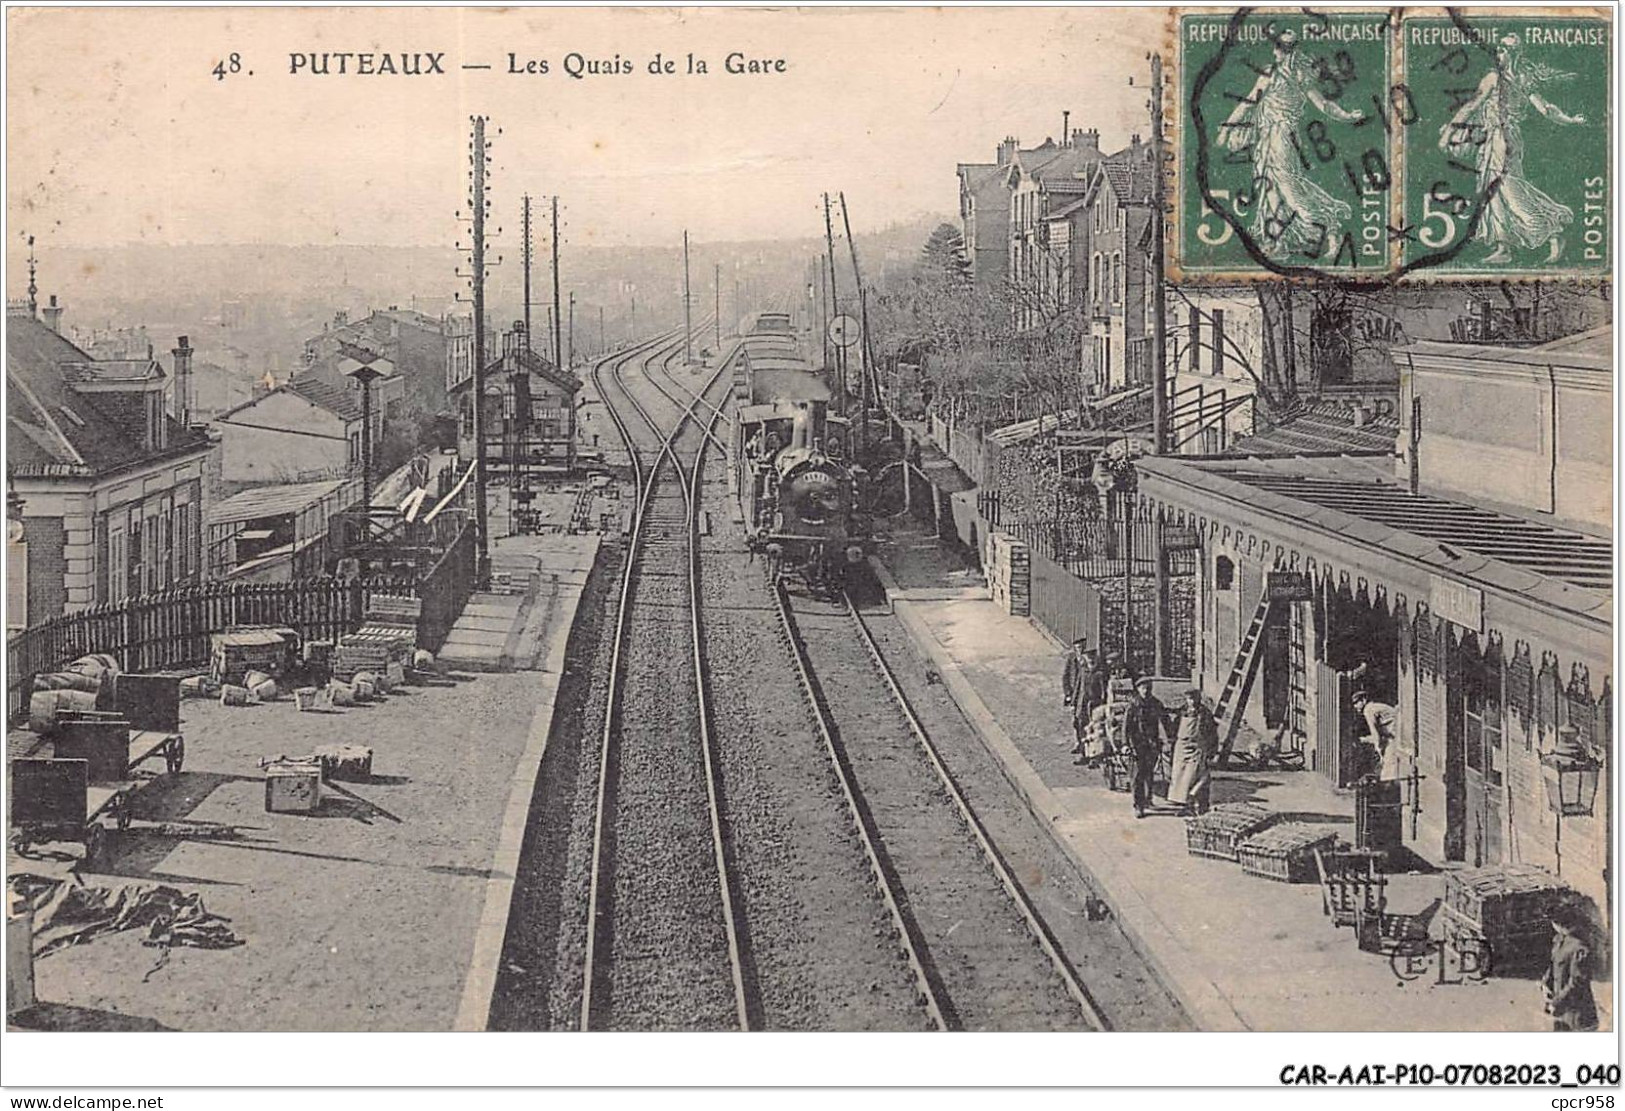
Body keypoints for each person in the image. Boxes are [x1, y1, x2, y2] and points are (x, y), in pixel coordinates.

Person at [1218, 28, 1366, 261]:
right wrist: (1347, 115)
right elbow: (1324, 106)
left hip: (1279, 138)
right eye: (1277, 46)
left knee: (1288, 190)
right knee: (1271, 190)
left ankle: (1330, 227)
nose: (1276, 51)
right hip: (1270, 138)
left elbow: (1322, 104)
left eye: (1280, 47)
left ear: (1286, 50)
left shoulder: (1287, 75)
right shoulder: (1286, 75)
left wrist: (1346, 115)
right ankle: (1276, 244)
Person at [1440, 34, 1587, 265]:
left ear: (1511, 53)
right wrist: (1570, 120)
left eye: (1504, 49)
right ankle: (1505, 246)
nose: (1500, 53)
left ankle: (1552, 227)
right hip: (1505, 138)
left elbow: (1471, 106)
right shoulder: (1523, 78)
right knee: (1495, 191)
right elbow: (1546, 109)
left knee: (1507, 189)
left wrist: (1449, 132)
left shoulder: (1494, 78)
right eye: (1499, 49)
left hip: (1500, 138)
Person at [1543, 906, 1598, 1031]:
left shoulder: (1580, 947)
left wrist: (1556, 1002)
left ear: (1558, 923)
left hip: (1577, 1013)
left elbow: (1577, 982)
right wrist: (1546, 983)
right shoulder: (1559, 940)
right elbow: (1554, 964)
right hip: (1561, 1011)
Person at [1123, 677, 1171, 818]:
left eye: (1148, 688)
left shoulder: (1155, 703)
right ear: (1138, 689)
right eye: (1143, 688)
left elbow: (1165, 720)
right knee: (1137, 776)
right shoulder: (1133, 705)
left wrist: (1170, 738)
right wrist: (1126, 745)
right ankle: (1138, 805)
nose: (1146, 690)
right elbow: (1126, 727)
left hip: (1152, 745)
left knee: (1149, 773)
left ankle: (1148, 799)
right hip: (1136, 745)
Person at [1167, 689, 1218, 816]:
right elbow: (1173, 731)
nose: (1192, 702)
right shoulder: (1182, 712)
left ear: (1199, 699)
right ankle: (1186, 807)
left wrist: (1212, 752)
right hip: (1182, 748)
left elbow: (1213, 734)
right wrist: (1172, 747)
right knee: (1182, 779)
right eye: (1189, 699)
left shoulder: (1205, 713)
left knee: (1200, 778)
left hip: (1198, 748)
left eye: (1194, 698)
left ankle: (1203, 807)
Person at [1351, 690, 1401, 780]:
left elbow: (1375, 733)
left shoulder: (1369, 710)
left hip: (1396, 735)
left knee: (1388, 766)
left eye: (1357, 702)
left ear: (1364, 700)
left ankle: (1388, 785)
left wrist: (1378, 749)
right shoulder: (1374, 707)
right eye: (1354, 704)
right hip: (1394, 734)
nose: (1355, 706)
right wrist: (1366, 739)